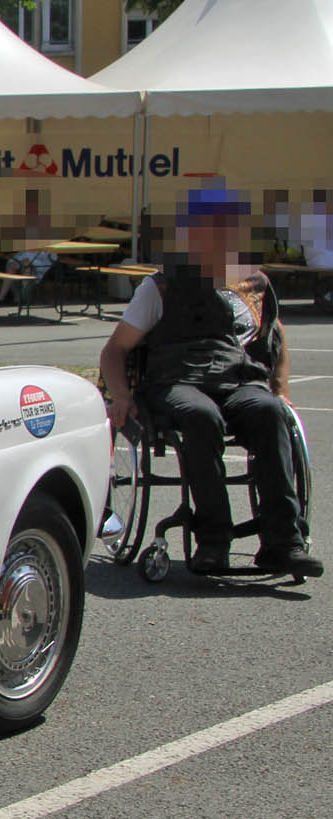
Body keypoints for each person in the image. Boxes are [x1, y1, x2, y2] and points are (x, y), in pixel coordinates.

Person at [100, 188, 318, 576]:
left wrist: (280, 391)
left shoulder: (255, 285)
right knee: (201, 416)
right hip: (178, 379)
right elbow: (115, 349)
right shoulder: (161, 286)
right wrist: (120, 395)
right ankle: (213, 540)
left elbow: (276, 338)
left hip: (238, 380)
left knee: (270, 412)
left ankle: (284, 541)